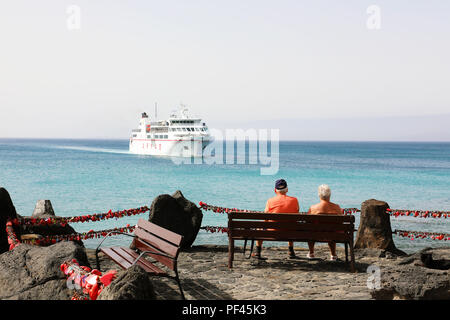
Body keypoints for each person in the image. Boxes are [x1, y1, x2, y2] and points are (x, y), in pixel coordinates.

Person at [252, 179, 299, 259]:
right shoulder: (294, 200)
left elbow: (265, 219)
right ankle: (291, 251)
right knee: (290, 223)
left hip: (273, 232)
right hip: (290, 232)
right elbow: (296, 217)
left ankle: (258, 252)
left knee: (260, 227)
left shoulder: (270, 201)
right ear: (287, 189)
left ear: (275, 190)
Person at [307, 184, 342, 261]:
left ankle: (311, 253)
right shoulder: (337, 207)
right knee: (332, 229)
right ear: (330, 195)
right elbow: (340, 223)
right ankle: (333, 254)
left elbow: (308, 223)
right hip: (333, 235)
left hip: (316, 235)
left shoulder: (313, 208)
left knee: (310, 230)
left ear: (319, 195)